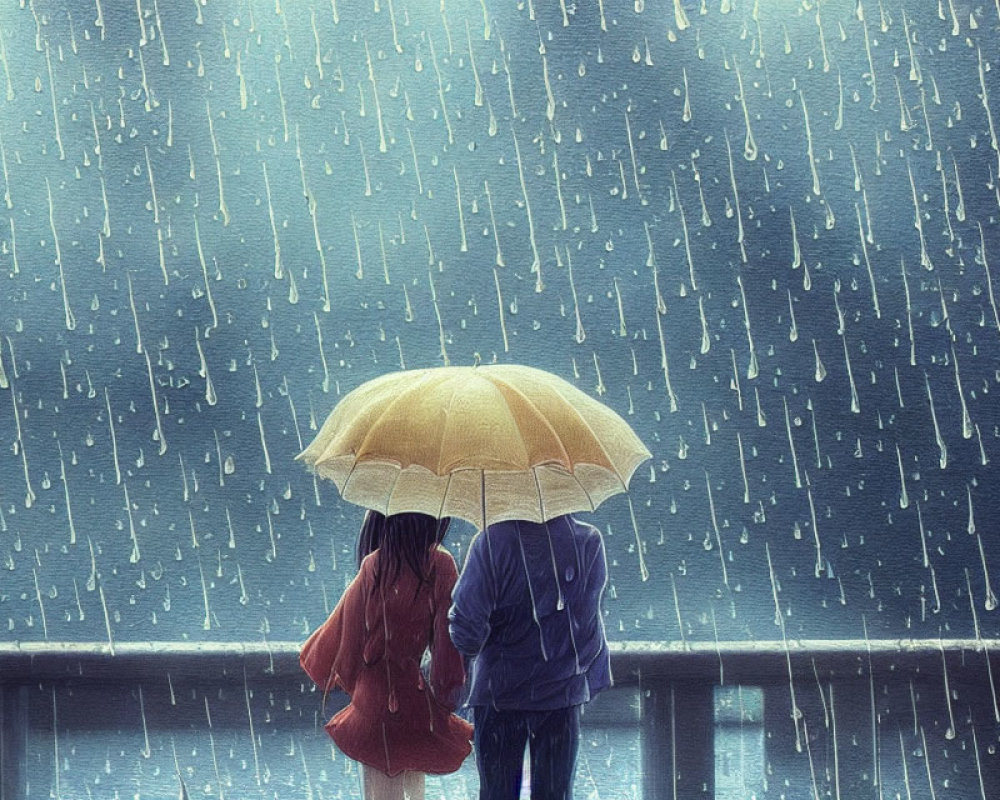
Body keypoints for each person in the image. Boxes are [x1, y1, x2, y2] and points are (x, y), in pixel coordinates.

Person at [301, 510, 473, 800]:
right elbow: (446, 649)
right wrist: (447, 693)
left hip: (373, 701)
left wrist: (359, 685)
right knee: (415, 788)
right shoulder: (440, 564)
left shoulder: (374, 565)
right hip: (415, 702)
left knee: (379, 793)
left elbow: (348, 638)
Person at [448, 513, 612, 800]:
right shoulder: (588, 542)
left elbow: (467, 630)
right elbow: (587, 630)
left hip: (498, 695)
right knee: (555, 794)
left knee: (497, 794)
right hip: (561, 696)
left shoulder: (490, 542)